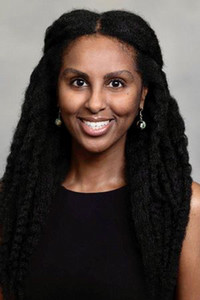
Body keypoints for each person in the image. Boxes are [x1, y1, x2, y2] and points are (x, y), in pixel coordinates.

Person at [0, 8, 200, 300]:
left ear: (143, 94)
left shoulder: (188, 209)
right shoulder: (11, 202)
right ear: (56, 90)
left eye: (116, 83)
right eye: (78, 82)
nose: (95, 103)